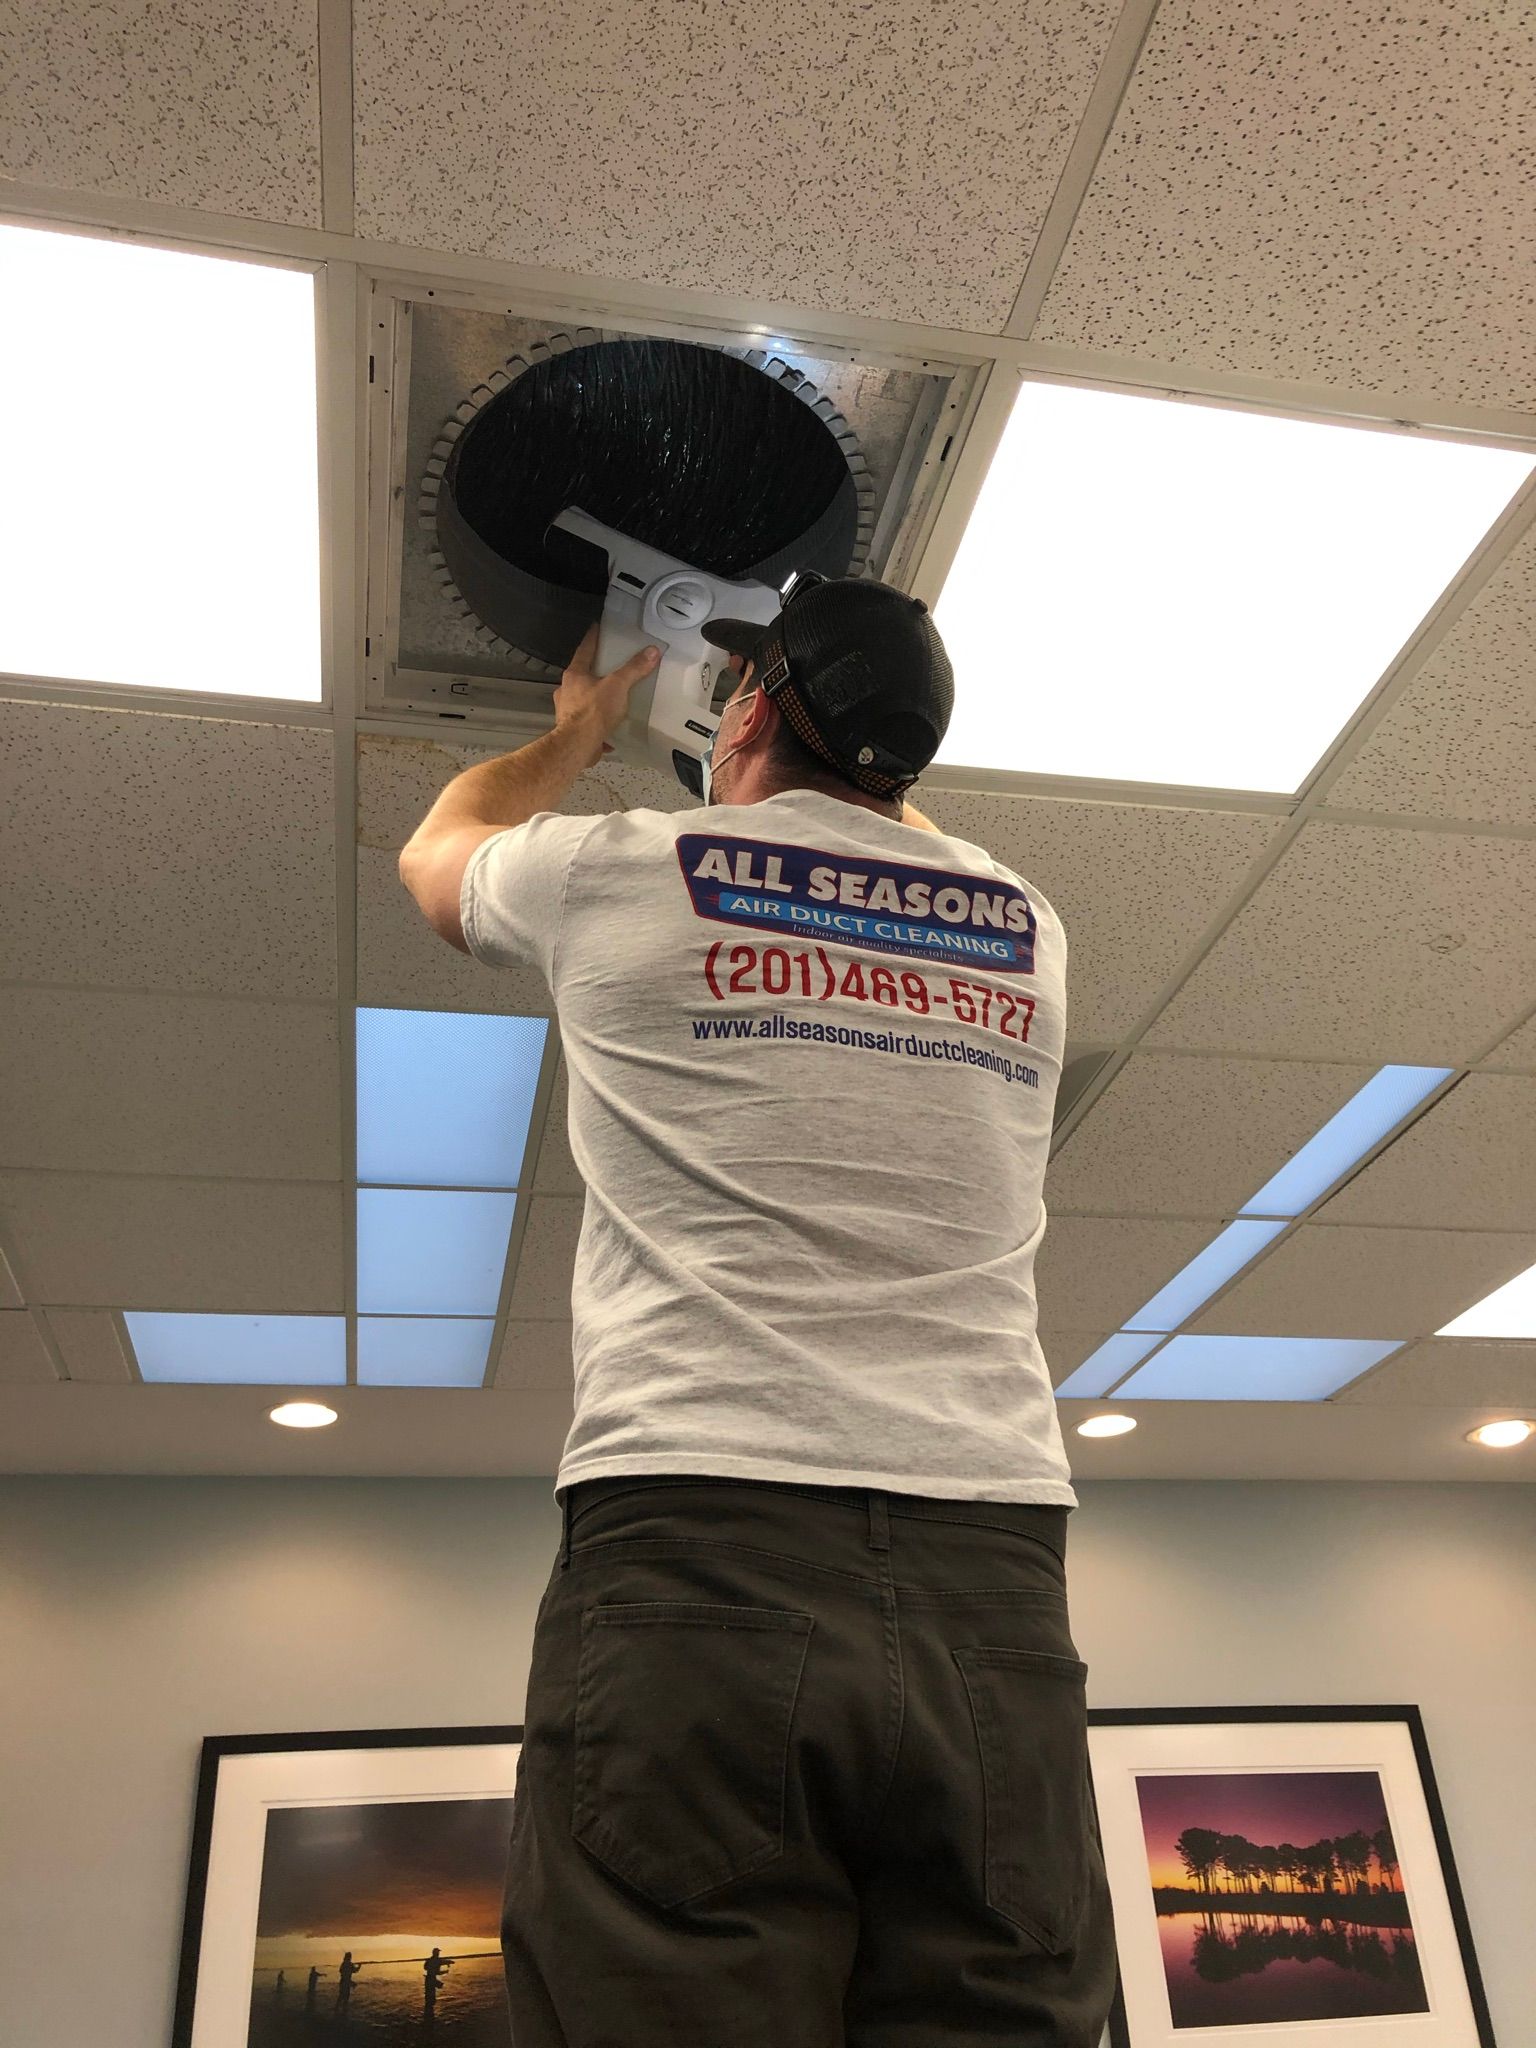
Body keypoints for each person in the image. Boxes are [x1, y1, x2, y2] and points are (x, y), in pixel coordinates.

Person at [399, 572, 1117, 2045]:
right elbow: (884, 828)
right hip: (994, 1575)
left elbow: (435, 850)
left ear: (750, 716)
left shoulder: (615, 867)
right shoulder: (1029, 930)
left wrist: (578, 734)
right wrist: (834, 756)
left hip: (703, 1556)